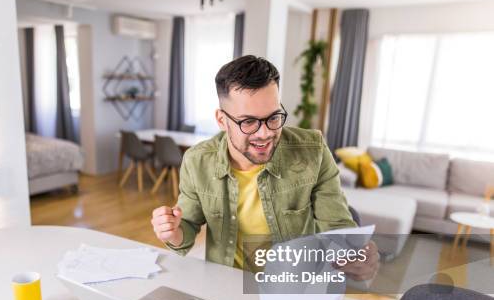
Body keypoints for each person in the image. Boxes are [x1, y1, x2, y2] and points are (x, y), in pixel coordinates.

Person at [151, 55, 378, 280]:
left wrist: (355, 256)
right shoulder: (197, 161)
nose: (265, 133)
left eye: (273, 117)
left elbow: (337, 226)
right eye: (248, 122)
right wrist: (173, 231)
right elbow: (187, 227)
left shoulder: (313, 151)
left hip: (294, 288)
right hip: (228, 287)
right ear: (222, 120)